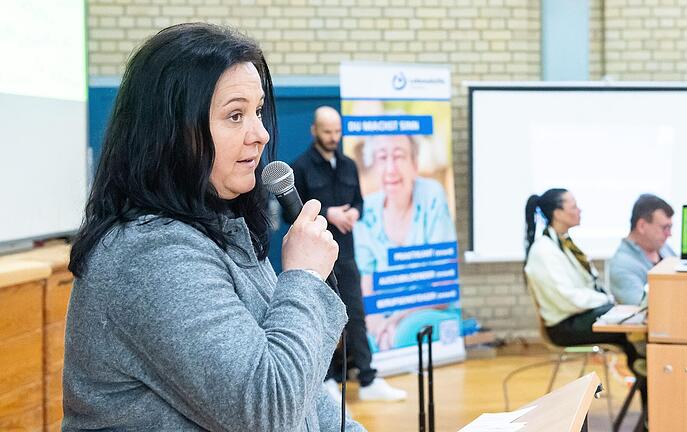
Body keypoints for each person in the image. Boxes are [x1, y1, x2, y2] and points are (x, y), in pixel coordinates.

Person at [63, 23, 365, 432]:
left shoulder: (224, 229)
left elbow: (308, 398)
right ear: (171, 132)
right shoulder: (151, 256)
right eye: (235, 115)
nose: (259, 135)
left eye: (258, 112)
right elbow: (269, 412)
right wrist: (306, 276)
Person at [291, 107, 407, 402]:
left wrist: (354, 211)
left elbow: (359, 201)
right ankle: (327, 380)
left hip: (347, 255)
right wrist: (328, 214)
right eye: (327, 131)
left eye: (337, 131)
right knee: (321, 318)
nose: (333, 137)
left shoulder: (348, 165)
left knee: (356, 314)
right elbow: (291, 216)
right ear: (314, 131)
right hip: (315, 259)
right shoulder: (300, 167)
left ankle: (368, 379)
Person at [354, 134, 458, 352]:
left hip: (430, 308)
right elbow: (367, 283)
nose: (391, 168)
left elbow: (443, 284)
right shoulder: (367, 210)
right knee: (369, 342)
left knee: (405, 333)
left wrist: (398, 318)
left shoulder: (431, 196)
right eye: (382, 158)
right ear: (374, 168)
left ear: (414, 164)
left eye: (399, 156)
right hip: (385, 314)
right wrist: (377, 324)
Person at [523, 189, 642, 374]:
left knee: (632, 327)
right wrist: (606, 301)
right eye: (574, 206)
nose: (580, 210)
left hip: (579, 316)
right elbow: (567, 298)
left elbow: (585, 285)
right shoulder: (543, 251)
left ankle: (647, 388)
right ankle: (646, 390)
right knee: (630, 327)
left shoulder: (564, 244)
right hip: (564, 326)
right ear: (558, 213)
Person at [609, 194, 676, 305]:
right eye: (665, 228)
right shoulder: (622, 265)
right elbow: (644, 308)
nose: (669, 234)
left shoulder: (664, 249)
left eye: (670, 227)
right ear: (642, 226)